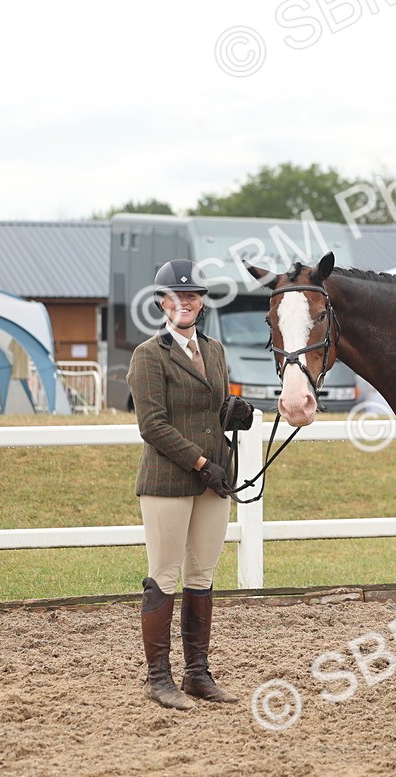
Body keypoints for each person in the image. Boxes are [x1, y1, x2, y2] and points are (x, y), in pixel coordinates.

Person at [127, 259, 239, 710]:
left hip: (214, 478)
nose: (184, 302)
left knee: (202, 576)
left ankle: (197, 674)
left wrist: (235, 413)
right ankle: (159, 678)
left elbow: (211, 409)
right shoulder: (149, 355)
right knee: (164, 575)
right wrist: (199, 462)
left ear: (201, 303)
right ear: (162, 303)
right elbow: (152, 425)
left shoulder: (214, 351)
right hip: (169, 480)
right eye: (175, 296)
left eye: (191, 296)